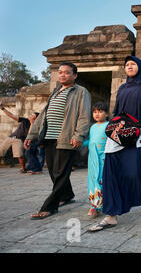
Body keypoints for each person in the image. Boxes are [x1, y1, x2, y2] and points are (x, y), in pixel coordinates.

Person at [88, 56, 141, 232]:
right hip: (120, 133)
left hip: (140, 133)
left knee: (135, 172)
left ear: (140, 66)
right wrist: (112, 131)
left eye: (133, 63)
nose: (129, 66)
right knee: (111, 172)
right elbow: (116, 112)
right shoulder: (122, 88)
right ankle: (111, 215)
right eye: (126, 64)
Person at [25, 62, 91, 219]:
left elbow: (84, 115)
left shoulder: (81, 92)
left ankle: (49, 206)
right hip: (49, 137)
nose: (62, 75)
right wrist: (31, 135)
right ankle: (67, 195)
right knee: (54, 172)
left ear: (75, 75)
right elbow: (43, 116)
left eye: (67, 72)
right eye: (60, 72)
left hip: (66, 138)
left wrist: (79, 135)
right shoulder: (55, 92)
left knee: (61, 173)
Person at [83, 102, 109, 219]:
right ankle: (94, 205)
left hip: (103, 158)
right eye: (94, 112)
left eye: (100, 111)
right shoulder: (92, 127)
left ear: (107, 114)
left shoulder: (109, 125)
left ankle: (100, 205)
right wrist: (80, 143)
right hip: (92, 159)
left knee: (102, 180)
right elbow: (91, 141)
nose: (97, 114)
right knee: (92, 180)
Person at [0, 103, 37, 173]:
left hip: (19, 140)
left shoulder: (35, 126)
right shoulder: (25, 120)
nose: (30, 116)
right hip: (11, 137)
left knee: (19, 155)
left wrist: (32, 123)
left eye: (33, 115)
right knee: (0, 151)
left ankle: (23, 168)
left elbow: (30, 134)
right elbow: (12, 116)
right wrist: (3, 109)